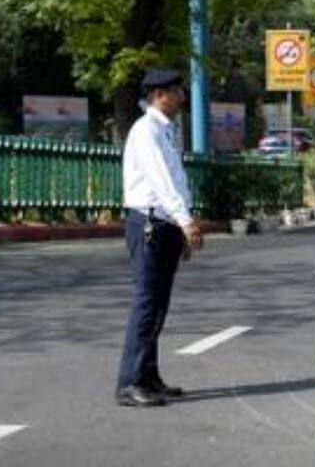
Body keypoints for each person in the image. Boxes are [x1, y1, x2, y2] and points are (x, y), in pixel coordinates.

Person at [115, 69, 204, 407]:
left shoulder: (165, 132)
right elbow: (161, 182)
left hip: (164, 224)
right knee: (147, 304)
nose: (183, 96)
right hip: (149, 223)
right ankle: (130, 381)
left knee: (158, 305)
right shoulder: (146, 131)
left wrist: (184, 222)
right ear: (160, 94)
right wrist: (186, 221)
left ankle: (148, 376)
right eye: (178, 90)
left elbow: (177, 182)